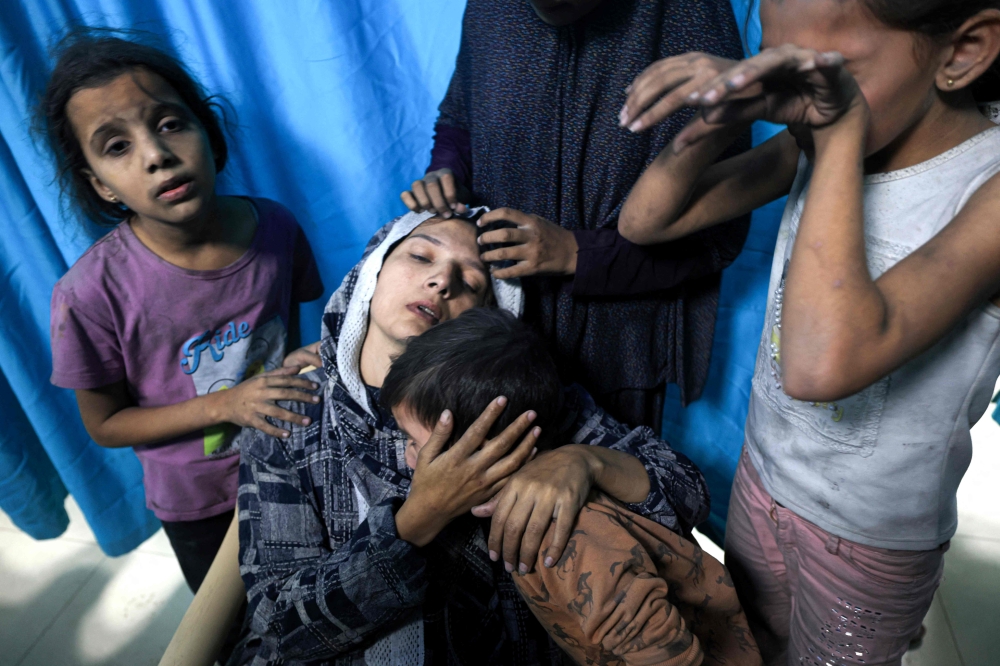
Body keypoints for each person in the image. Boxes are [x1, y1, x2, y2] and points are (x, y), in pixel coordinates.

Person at [616, 1, 1000, 663]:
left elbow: (821, 367)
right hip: (763, 479)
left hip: (871, 539)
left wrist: (841, 133)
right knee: (749, 645)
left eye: (827, 72)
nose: (798, 93)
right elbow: (646, 222)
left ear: (963, 52)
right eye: (776, 62)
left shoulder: (984, 190)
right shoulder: (815, 136)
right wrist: (721, 114)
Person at [229, 209, 710, 665]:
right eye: (420, 256)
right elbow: (279, 625)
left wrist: (584, 463)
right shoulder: (292, 416)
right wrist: (420, 516)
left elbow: (687, 493)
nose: (442, 281)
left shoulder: (523, 403)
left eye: (472, 282)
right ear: (369, 275)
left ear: (487, 319)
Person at [42, 32, 325, 594]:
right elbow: (105, 425)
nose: (155, 155)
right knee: (237, 628)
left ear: (207, 132)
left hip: (291, 463)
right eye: (116, 146)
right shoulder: (89, 294)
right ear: (100, 184)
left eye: (170, 124)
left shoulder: (275, 228)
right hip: (199, 504)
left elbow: (284, 348)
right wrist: (227, 403)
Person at [399, 0, 752, 428]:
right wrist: (446, 170)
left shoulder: (688, 12)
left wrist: (576, 253)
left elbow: (716, 234)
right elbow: (460, 116)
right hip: (486, 325)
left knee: (595, 476)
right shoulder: (489, 8)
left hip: (616, 343)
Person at [381, 306, 762, 666]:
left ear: (492, 452)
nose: (408, 456)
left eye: (417, 443)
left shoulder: (564, 538)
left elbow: (667, 654)